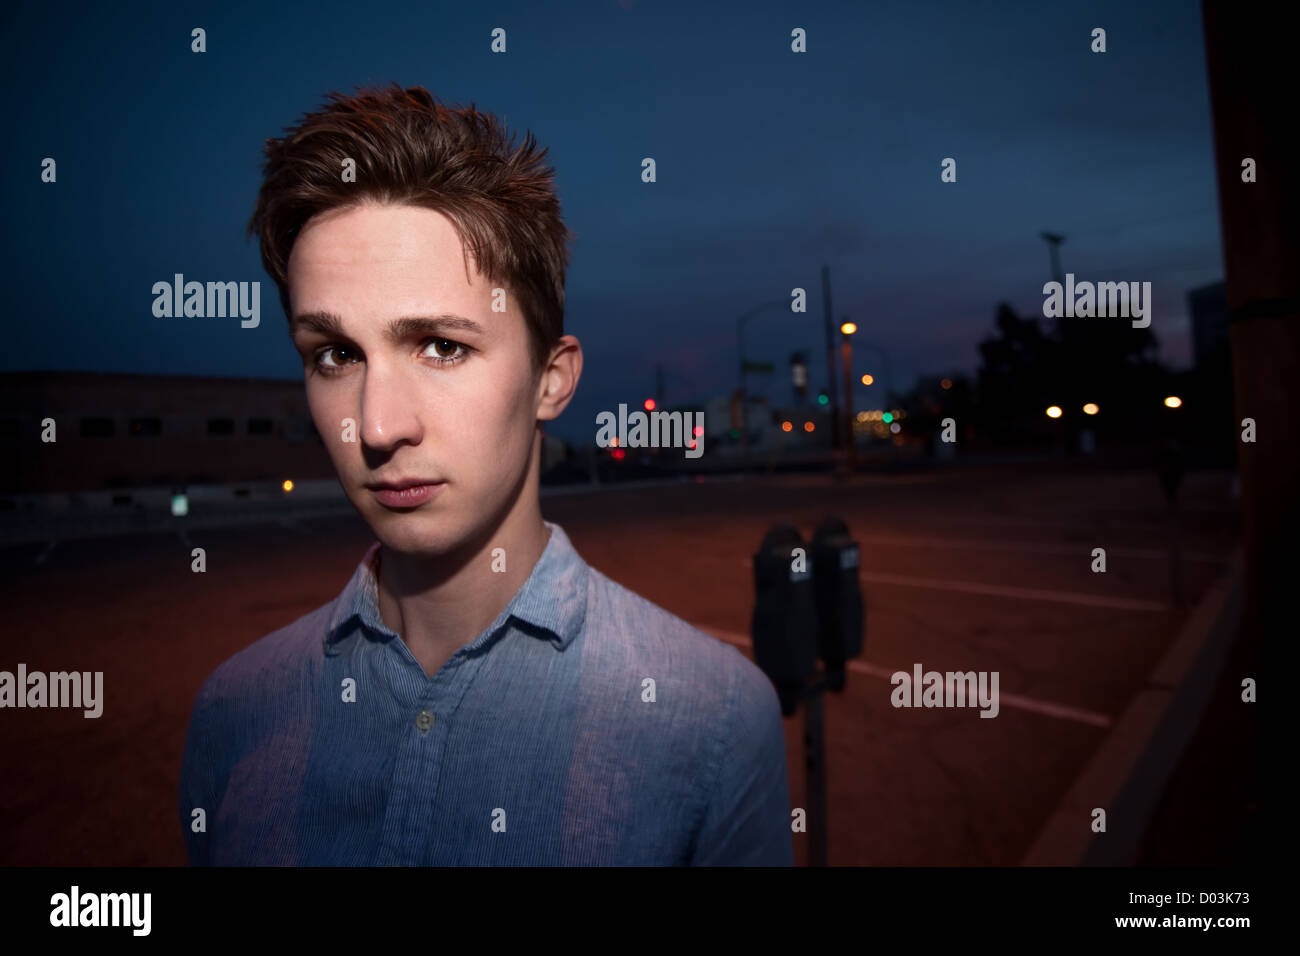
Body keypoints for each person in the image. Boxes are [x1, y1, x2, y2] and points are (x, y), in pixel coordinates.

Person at [178, 84, 792, 866]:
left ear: (551, 379)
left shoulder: (711, 720)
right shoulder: (234, 711)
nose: (376, 425)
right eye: (335, 354)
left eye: (441, 346)